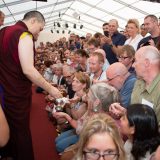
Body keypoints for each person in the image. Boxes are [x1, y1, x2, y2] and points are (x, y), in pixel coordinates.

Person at [0, 11, 62, 160]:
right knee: (21, 132)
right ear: (33, 21)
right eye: (40, 29)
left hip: (3, 89)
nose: (39, 34)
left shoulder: (3, 31)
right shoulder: (24, 35)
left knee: (7, 129)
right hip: (17, 93)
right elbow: (28, 69)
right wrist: (51, 89)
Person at [53, 83, 119, 158]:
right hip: (81, 135)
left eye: (89, 96)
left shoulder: (100, 122)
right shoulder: (93, 109)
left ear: (96, 102)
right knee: (57, 140)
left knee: (61, 148)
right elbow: (79, 126)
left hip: (84, 141)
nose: (86, 97)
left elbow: (80, 132)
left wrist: (67, 116)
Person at [131, 46, 160, 125]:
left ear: (146, 63)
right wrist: (125, 113)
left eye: (135, 61)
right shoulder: (138, 82)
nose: (133, 65)